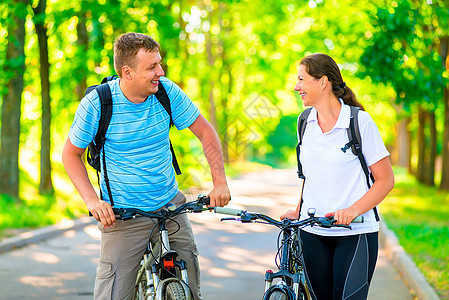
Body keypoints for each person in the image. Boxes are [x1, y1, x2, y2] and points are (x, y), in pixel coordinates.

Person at [62, 32, 231, 300]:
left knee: (190, 286)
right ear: (127, 72)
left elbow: (206, 133)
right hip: (124, 214)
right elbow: (71, 155)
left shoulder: (166, 91)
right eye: (151, 67)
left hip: (169, 204)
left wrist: (219, 182)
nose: (160, 72)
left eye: (159, 64)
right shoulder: (98, 104)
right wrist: (93, 201)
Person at [281, 53, 394, 300]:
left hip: (355, 234)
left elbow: (386, 180)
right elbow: (309, 177)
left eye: (302, 79)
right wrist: (298, 209)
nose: (296, 87)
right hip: (312, 233)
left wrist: (352, 210)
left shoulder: (358, 121)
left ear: (323, 82)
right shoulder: (304, 122)